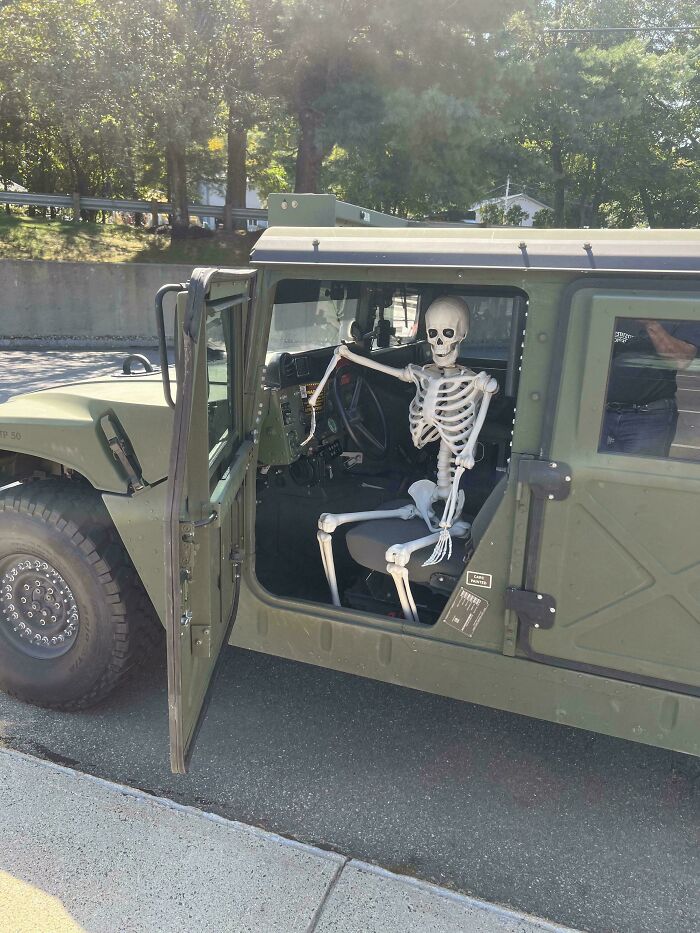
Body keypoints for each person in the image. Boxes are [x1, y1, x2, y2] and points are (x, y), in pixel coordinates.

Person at [601, 318, 700, 457]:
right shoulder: (611, 309)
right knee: (595, 471)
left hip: (648, 417)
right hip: (601, 412)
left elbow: (681, 360)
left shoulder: (679, 315)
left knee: (641, 474)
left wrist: (651, 323)